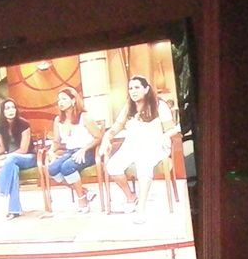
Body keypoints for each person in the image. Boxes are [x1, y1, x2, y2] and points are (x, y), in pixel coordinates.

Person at [101, 75, 177, 217]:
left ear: (146, 89)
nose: (133, 91)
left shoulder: (159, 105)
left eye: (137, 87)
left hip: (154, 145)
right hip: (131, 146)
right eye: (130, 88)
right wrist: (107, 137)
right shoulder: (129, 106)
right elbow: (116, 127)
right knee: (112, 166)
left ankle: (141, 208)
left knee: (144, 164)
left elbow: (171, 129)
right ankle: (131, 197)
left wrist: (166, 136)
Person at [45, 87, 100, 206]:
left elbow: (98, 137)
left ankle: (82, 200)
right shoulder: (58, 120)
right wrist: (51, 151)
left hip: (87, 151)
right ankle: (84, 192)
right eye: (59, 100)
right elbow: (56, 141)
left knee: (67, 167)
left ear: (74, 100)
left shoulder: (84, 117)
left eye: (64, 99)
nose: (60, 102)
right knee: (52, 169)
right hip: (70, 152)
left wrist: (84, 150)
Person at [0, 98, 36, 218]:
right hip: (11, 161)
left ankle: (2, 188)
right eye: (7, 108)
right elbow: (2, 147)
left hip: (28, 157)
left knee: (11, 160)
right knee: (12, 169)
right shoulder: (0, 127)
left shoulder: (24, 124)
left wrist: (6, 157)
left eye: (13, 107)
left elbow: (23, 149)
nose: (11, 110)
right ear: (3, 111)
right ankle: (14, 209)